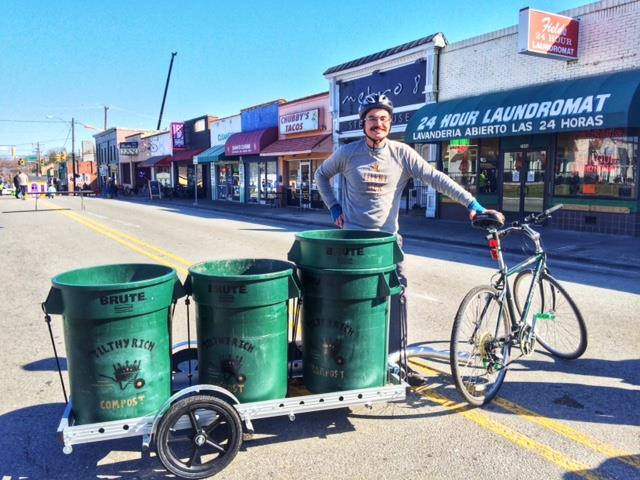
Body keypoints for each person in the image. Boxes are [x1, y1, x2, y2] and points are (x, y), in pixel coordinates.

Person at [314, 94, 504, 383]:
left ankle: (398, 361)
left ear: (390, 123)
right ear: (363, 123)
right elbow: (321, 175)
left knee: (397, 299)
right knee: (352, 301)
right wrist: (334, 207)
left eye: (383, 119)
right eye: (372, 119)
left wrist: (472, 204)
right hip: (352, 243)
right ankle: (352, 356)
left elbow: (436, 177)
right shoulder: (348, 154)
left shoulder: (401, 153)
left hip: (388, 243)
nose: (378, 124)